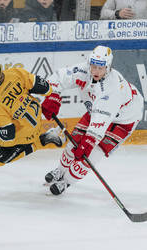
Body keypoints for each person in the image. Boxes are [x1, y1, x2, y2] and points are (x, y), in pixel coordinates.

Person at [41, 45, 144, 195]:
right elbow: (59, 77)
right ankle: (60, 171)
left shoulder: (112, 89)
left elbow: (99, 123)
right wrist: (52, 94)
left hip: (123, 120)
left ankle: (66, 182)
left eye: (100, 68)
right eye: (93, 66)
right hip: (96, 112)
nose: (95, 71)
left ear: (108, 67)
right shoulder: (84, 70)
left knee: (90, 155)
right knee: (72, 145)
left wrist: (88, 142)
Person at [0, 57, 66, 167]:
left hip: (25, 134)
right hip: (34, 116)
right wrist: (52, 96)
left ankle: (41, 141)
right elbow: (45, 87)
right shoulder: (14, 73)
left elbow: (8, 136)